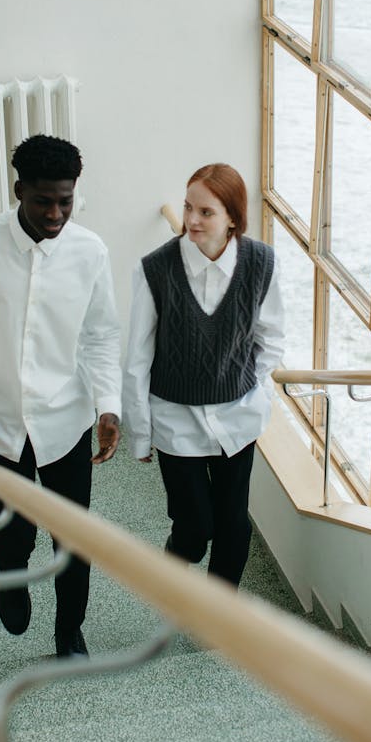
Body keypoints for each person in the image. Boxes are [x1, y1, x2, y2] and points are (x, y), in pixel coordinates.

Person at [0, 134, 121, 657]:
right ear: (19, 191)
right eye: (43, 201)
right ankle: (10, 569)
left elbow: (101, 335)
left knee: (73, 537)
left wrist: (108, 404)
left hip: (66, 419)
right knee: (14, 532)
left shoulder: (90, 251)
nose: (56, 213)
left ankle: (68, 631)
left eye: (66, 201)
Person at [123, 163, 284, 588]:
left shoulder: (262, 263)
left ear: (233, 217)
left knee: (235, 527)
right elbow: (137, 359)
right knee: (195, 531)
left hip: (238, 416)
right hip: (177, 419)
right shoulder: (155, 271)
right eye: (188, 208)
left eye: (206, 212)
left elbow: (272, 339)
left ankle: (216, 615)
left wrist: (253, 390)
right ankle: (174, 565)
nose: (192, 220)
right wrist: (141, 433)